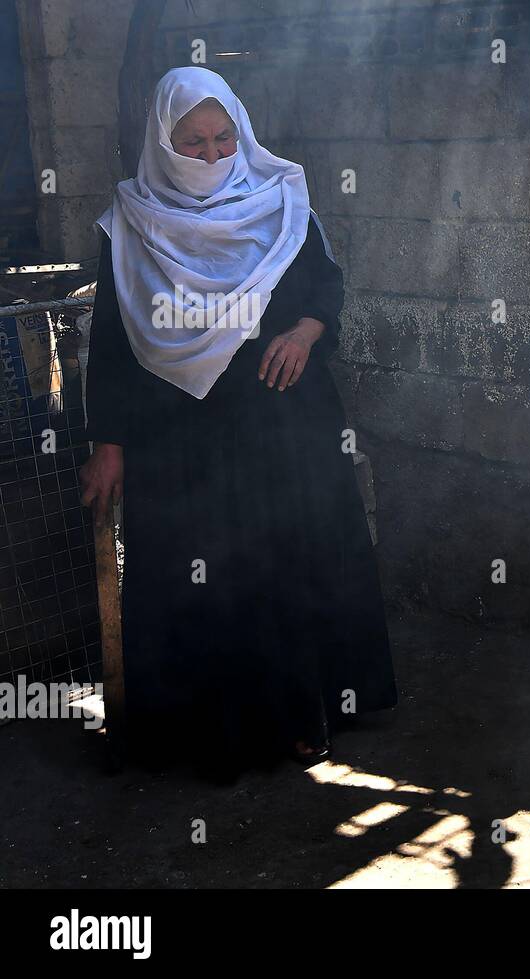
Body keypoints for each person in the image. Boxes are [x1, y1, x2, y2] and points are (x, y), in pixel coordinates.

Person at [78, 66, 397, 774]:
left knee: (286, 564)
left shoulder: (281, 199)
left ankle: (300, 718)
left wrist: (307, 331)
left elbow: (325, 284)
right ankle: (204, 736)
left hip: (282, 419)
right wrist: (108, 443)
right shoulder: (129, 226)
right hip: (180, 435)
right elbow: (110, 341)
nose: (214, 156)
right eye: (193, 143)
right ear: (163, 144)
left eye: (225, 139)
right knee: (201, 576)